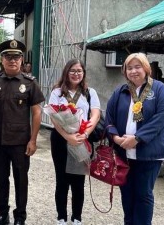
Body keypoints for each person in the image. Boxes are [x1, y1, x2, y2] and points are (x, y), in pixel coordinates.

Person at [105, 53, 164, 225]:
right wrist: (116, 138)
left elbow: (163, 116)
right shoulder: (120, 92)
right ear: (125, 71)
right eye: (129, 68)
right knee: (127, 194)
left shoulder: (159, 89)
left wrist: (138, 138)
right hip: (123, 154)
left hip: (149, 154)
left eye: (138, 67)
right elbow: (109, 119)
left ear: (146, 68)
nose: (133, 71)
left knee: (143, 194)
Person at [0, 39, 45, 225]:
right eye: (8, 57)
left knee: (20, 179)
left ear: (21, 60)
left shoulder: (30, 83)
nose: (12, 60)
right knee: (0, 178)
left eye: (16, 57)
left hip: (20, 141)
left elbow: (36, 112)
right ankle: (2, 213)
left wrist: (33, 140)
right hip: (0, 140)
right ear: (2, 59)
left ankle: (20, 216)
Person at [48, 59, 100, 225]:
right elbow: (53, 117)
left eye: (79, 70)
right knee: (62, 180)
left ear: (83, 73)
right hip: (61, 140)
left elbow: (95, 115)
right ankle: (61, 217)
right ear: (66, 72)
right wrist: (67, 136)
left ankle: (77, 217)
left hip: (82, 139)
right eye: (72, 70)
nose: (76, 74)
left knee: (79, 181)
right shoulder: (57, 93)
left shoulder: (90, 92)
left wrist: (85, 133)